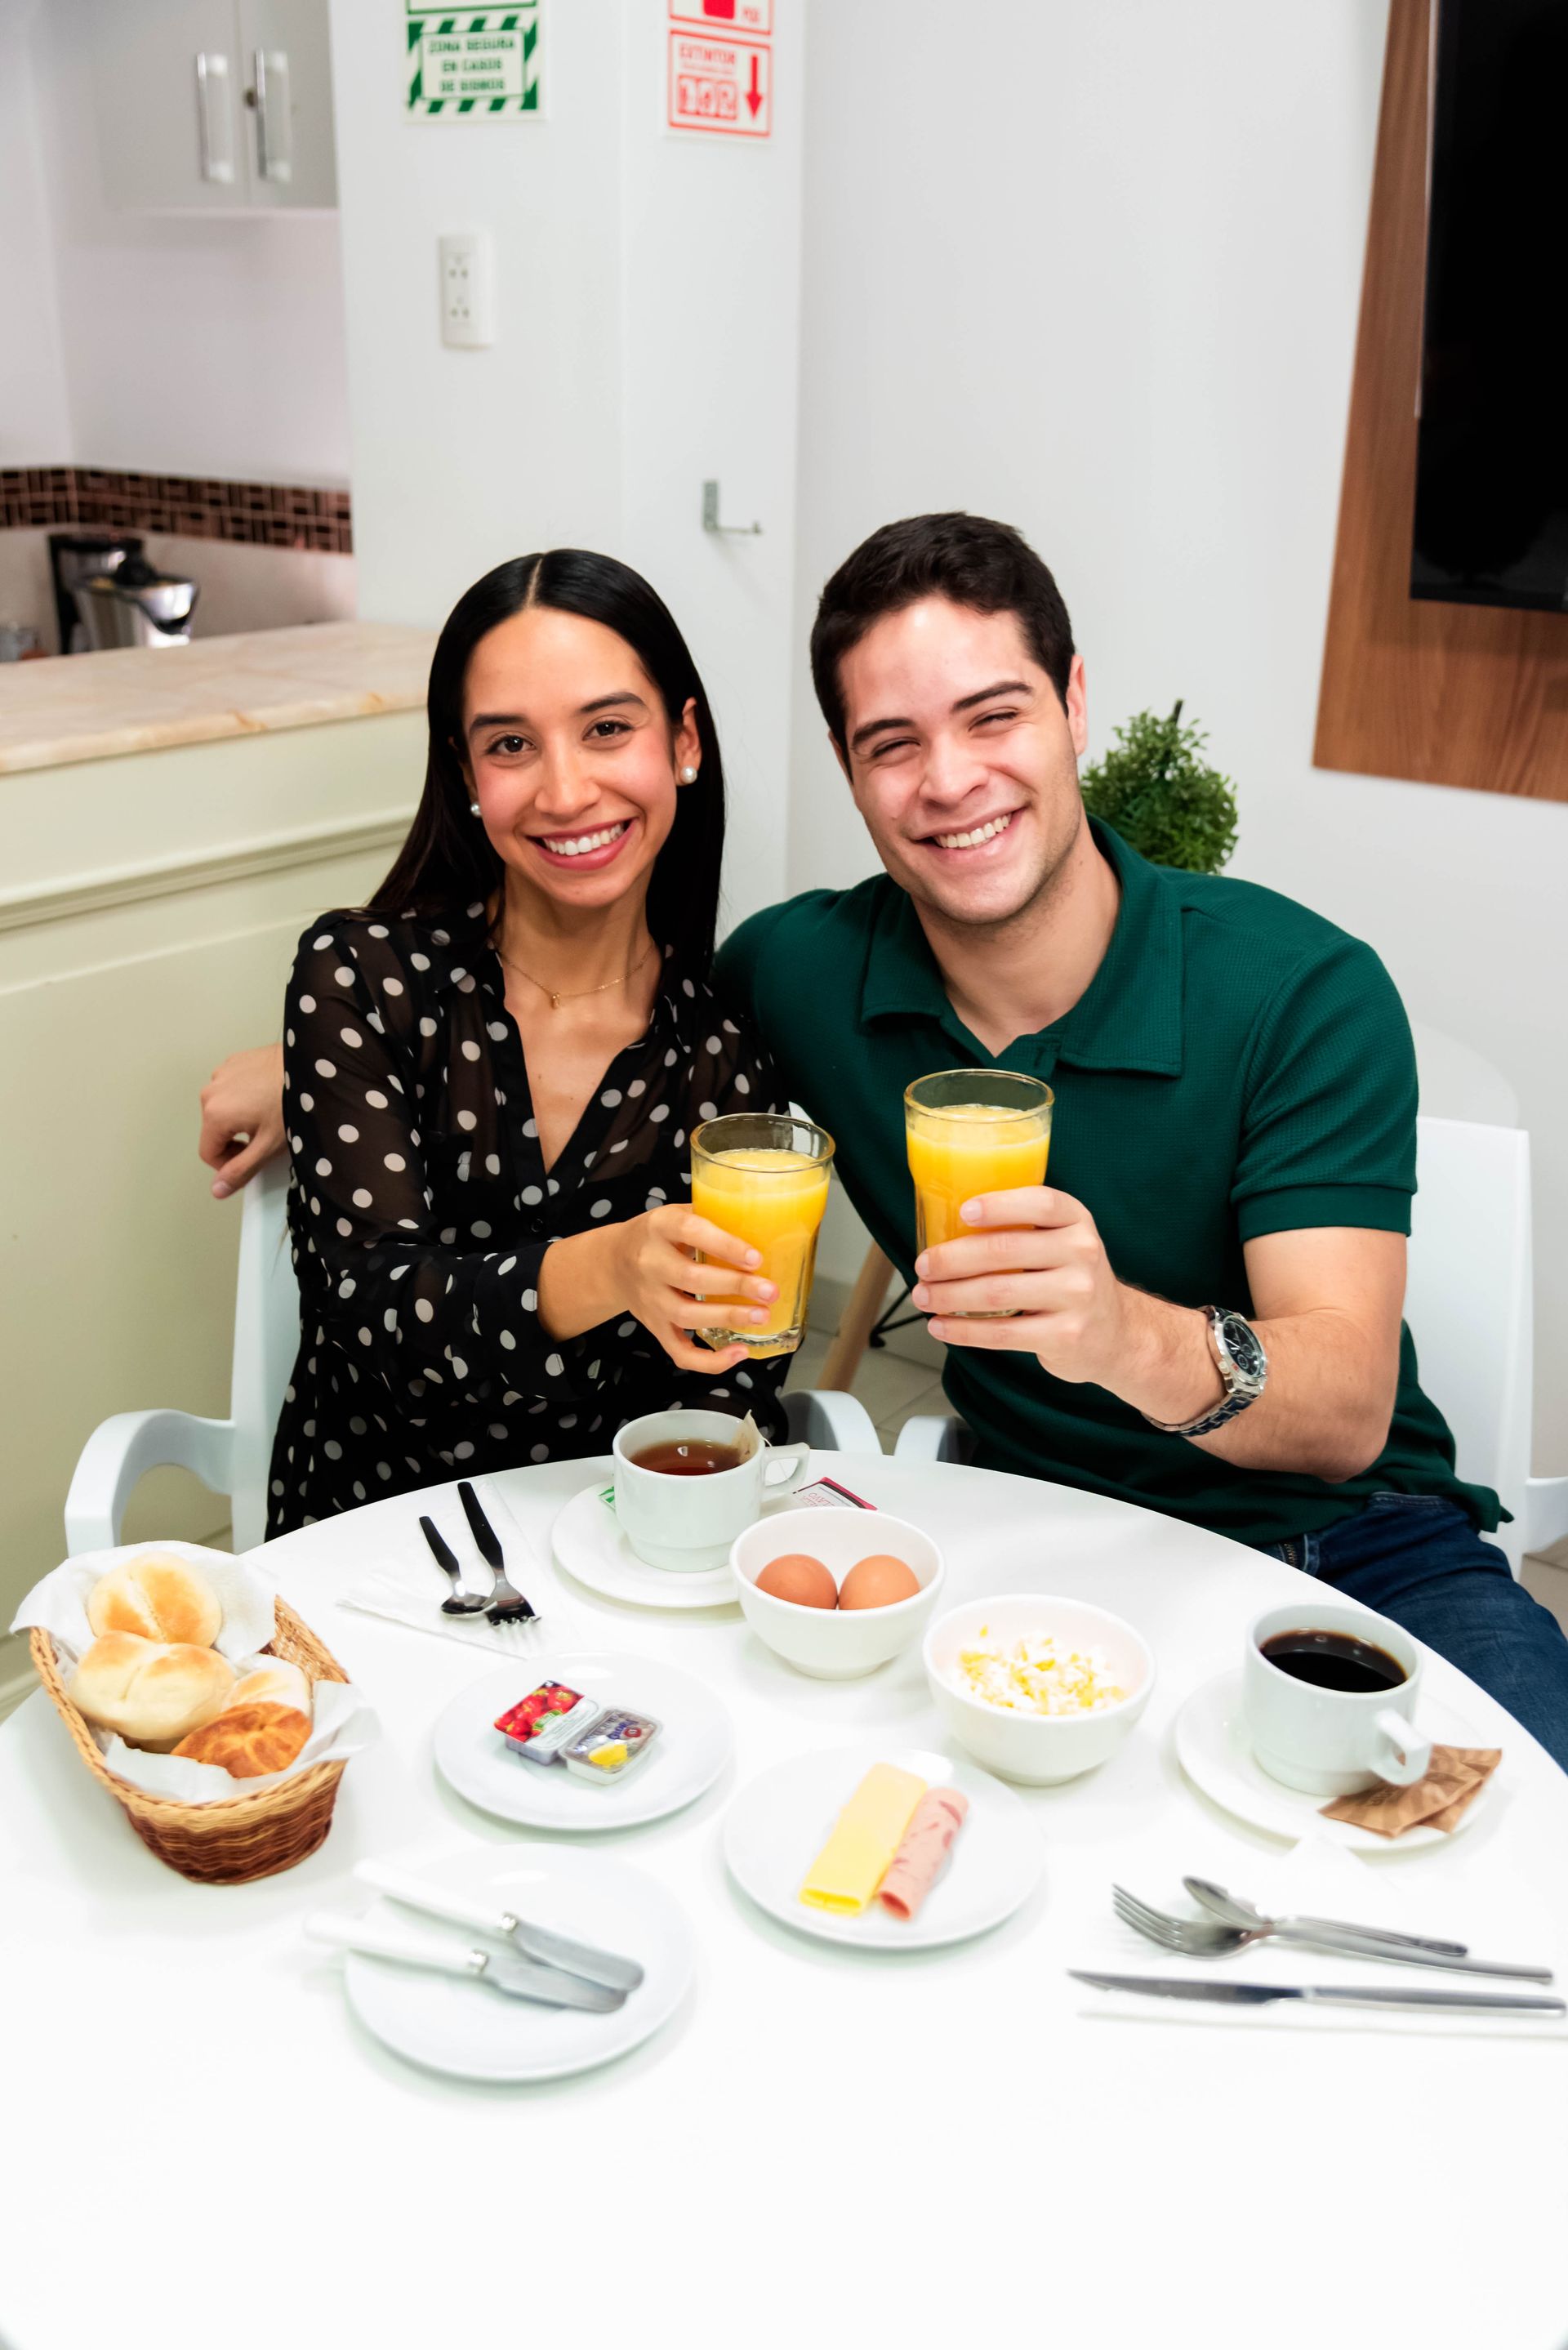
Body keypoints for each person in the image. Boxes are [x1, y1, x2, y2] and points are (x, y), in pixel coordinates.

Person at [201, 514, 1568, 1774]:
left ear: (1074, 702)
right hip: (1027, 1535)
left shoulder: (1295, 989)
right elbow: (535, 1040)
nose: (951, 779)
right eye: (893, 741)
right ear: (851, 771)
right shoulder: (796, 978)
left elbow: (1340, 1411)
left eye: (993, 714)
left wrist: (1121, 1335)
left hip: (1359, 1553)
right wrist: (313, 1061)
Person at [251, 549, 789, 1532]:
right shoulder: (364, 977)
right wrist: (616, 1266)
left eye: (608, 729)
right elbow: (371, 1313)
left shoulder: (721, 1053)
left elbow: (727, 1378)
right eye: (511, 745)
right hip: (371, 1549)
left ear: (684, 742)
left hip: (609, 1549)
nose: (567, 790)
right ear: (465, 773)